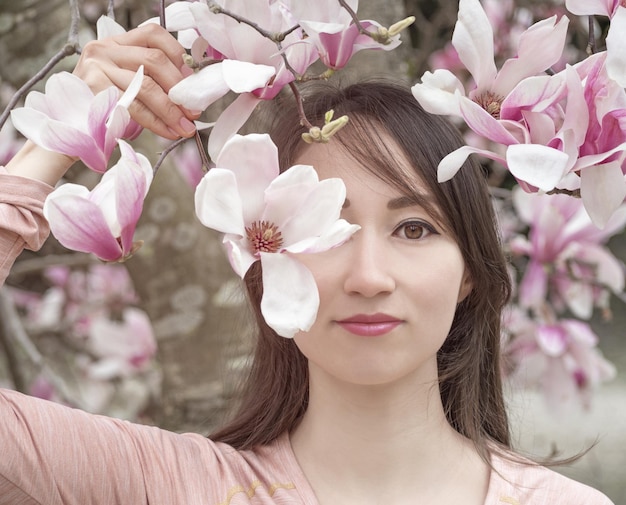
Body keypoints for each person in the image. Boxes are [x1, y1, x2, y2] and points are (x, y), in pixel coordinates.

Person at [0, 24, 614, 505]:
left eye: (414, 228)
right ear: (262, 262)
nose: (369, 277)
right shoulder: (164, 486)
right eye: (330, 228)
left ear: (470, 271)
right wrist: (60, 137)